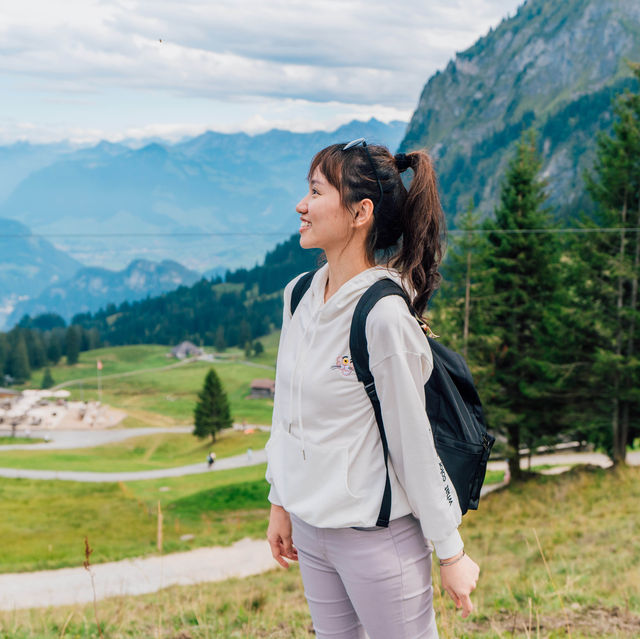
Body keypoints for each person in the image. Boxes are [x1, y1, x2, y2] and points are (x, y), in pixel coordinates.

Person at [265, 138, 480, 639]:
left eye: (316, 192)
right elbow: (287, 411)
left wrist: (451, 553)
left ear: (360, 212)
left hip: (378, 540)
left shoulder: (382, 315)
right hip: (312, 532)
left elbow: (413, 445)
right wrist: (280, 500)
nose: (302, 205)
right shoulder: (298, 294)